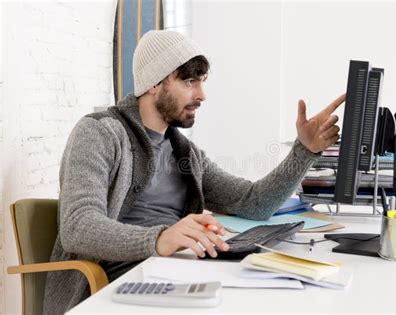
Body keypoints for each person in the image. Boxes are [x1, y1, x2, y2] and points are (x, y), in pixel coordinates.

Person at [44, 30, 344, 314]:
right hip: (117, 282)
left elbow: (254, 203)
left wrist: (303, 151)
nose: (202, 94)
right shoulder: (99, 134)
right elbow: (78, 226)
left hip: (173, 272)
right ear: (154, 83)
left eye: (201, 81)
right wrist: (160, 238)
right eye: (189, 82)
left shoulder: (185, 153)